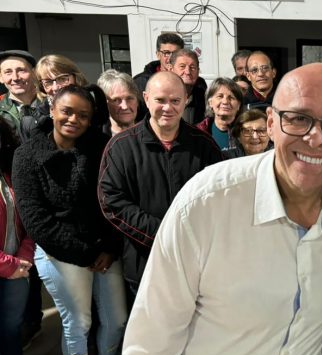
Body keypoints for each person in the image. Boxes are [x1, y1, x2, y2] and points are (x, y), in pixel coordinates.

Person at [120, 63, 322, 355]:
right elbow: (154, 335)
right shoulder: (208, 201)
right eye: (298, 119)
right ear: (271, 123)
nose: (316, 138)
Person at [12, 85, 127, 355]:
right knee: (79, 322)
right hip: (60, 251)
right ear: (52, 110)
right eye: (67, 111)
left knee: (117, 318)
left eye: (83, 115)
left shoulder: (99, 147)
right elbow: (36, 220)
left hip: (103, 249)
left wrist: (108, 247)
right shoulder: (27, 155)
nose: (74, 119)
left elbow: (112, 200)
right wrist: (85, 254)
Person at [98, 72, 222, 298]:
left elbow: (218, 197)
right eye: (160, 100)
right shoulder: (121, 147)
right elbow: (112, 202)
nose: (168, 108)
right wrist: (162, 234)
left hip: (194, 262)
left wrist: (189, 236)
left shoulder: (204, 145)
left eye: (175, 100)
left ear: (186, 100)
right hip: (144, 264)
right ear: (146, 99)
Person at [0, 117, 47, 355]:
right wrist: (8, 264)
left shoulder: (9, 173)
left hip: (17, 268)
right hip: (8, 266)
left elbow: (27, 220)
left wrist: (23, 259)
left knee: (10, 330)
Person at [35, 54, 110, 129]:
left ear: (76, 77)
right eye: (48, 82)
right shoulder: (38, 116)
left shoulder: (94, 105)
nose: (55, 88)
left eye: (62, 79)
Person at [0, 50, 46, 143]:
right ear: (1, 77)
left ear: (34, 73)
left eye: (21, 70)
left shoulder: (51, 104)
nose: (15, 78)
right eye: (8, 72)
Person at [196, 77, 244, 157]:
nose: (225, 102)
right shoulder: (197, 133)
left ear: (239, 105)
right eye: (220, 96)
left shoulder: (248, 132)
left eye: (231, 97)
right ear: (210, 102)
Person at [167, 49, 207, 125]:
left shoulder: (204, 99)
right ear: (171, 69)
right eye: (182, 66)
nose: (188, 72)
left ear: (198, 71)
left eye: (192, 67)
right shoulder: (161, 97)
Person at [97, 69, 141, 136]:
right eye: (116, 100)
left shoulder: (152, 135)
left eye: (129, 98)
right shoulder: (95, 139)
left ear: (137, 101)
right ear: (105, 104)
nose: (125, 106)